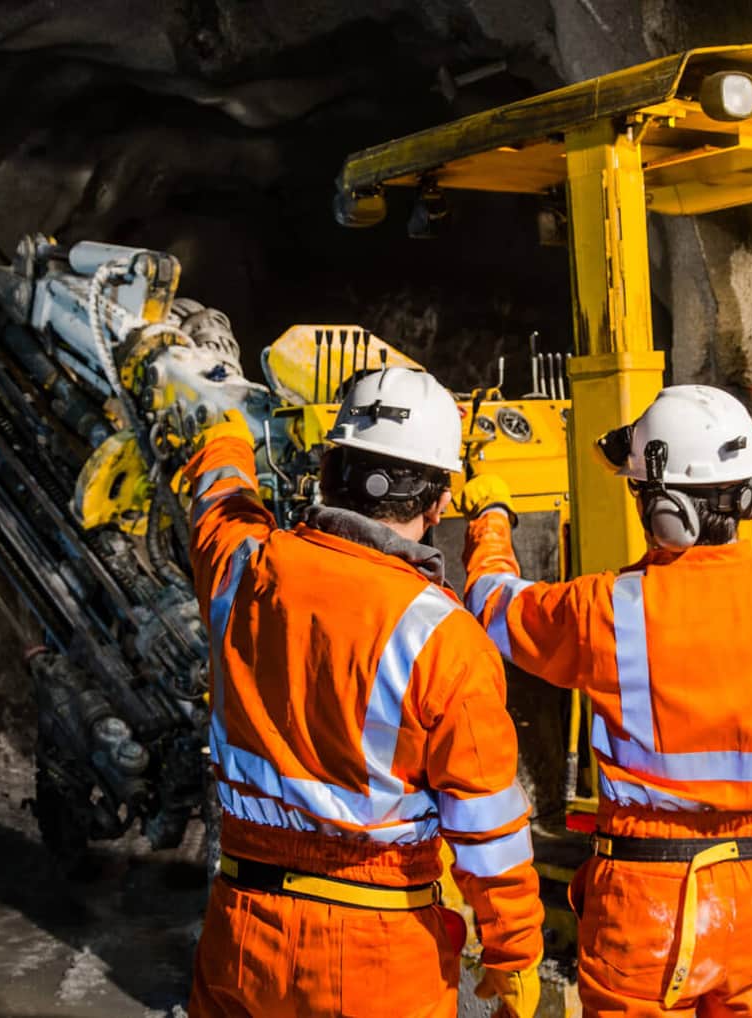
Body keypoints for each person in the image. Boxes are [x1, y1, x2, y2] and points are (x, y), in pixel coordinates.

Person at [456, 384, 752, 1017]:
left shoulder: (606, 608)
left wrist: (492, 518)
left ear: (663, 510)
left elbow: (493, 606)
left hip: (646, 902)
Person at [184, 366, 543, 1017]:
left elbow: (219, 500)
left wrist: (223, 435)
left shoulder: (241, 569)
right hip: (375, 953)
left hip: (241, 934)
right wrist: (513, 951)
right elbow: (487, 826)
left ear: (327, 472)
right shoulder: (445, 639)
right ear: (437, 505)